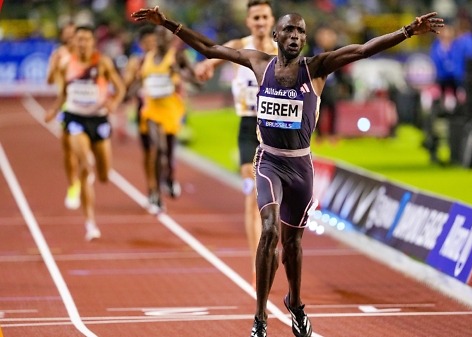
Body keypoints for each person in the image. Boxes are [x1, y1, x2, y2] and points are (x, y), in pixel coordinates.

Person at [132, 7, 443, 337]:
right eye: (289, 31)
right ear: (276, 37)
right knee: (269, 230)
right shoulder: (259, 63)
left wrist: (408, 31)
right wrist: (167, 23)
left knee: (292, 245)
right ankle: (260, 318)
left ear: (305, 39)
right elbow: (210, 49)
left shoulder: (317, 68)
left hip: (300, 166)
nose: (295, 36)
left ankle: (294, 303)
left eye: (300, 32)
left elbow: (364, 49)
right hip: (268, 162)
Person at [194, 0, 277, 285]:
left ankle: (274, 247)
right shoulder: (239, 44)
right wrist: (205, 68)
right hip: (248, 126)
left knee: (275, 200)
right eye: (256, 17)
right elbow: (211, 59)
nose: (261, 22)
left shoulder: (283, 51)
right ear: (248, 21)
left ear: (272, 19)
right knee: (252, 195)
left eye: (265, 17)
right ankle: (258, 260)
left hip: (276, 128)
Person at [45, 25, 126, 241]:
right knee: (84, 165)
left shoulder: (103, 63)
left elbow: (120, 88)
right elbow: (63, 92)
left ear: (93, 42)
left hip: (98, 120)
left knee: (104, 175)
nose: (82, 43)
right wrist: (54, 109)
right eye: (79, 39)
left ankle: (92, 172)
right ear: (75, 42)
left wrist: (114, 103)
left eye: (86, 39)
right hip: (75, 118)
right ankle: (90, 224)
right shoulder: (65, 63)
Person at [124, 26, 196, 213]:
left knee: (168, 151)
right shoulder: (145, 59)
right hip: (151, 111)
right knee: (157, 148)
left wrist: (179, 73)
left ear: (172, 40)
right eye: (159, 37)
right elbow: (140, 81)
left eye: (166, 37)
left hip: (171, 110)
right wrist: (125, 95)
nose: (161, 41)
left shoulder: (178, 57)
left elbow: (196, 80)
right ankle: (155, 194)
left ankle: (170, 178)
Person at [46, 21, 81, 210]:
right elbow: (50, 80)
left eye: (72, 34)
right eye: (66, 35)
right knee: (69, 152)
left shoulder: (86, 53)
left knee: (83, 148)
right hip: (66, 105)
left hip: (86, 107)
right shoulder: (58, 54)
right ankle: (73, 185)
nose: (69, 38)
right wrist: (54, 65)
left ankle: (83, 171)